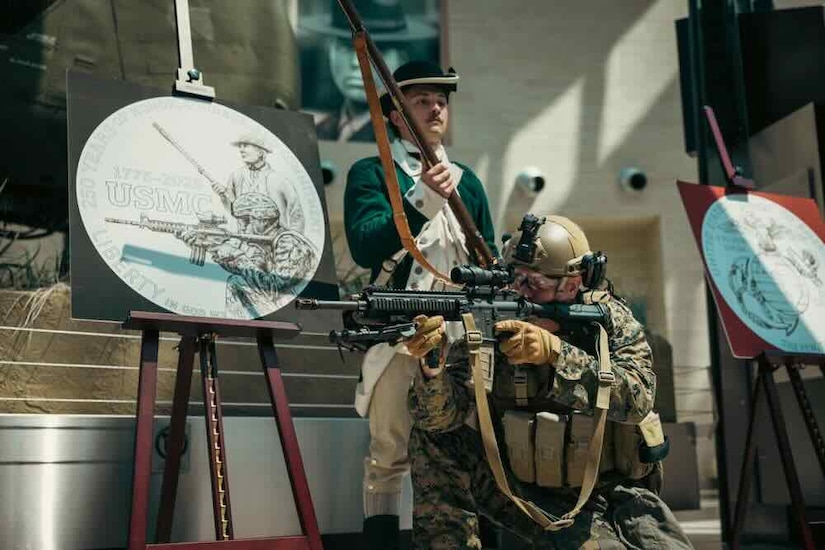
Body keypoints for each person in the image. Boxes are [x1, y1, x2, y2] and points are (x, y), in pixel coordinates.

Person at [405, 215, 694, 549]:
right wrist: (432, 369)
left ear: (571, 284)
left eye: (534, 283)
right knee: (433, 437)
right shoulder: (494, 323)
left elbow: (637, 397)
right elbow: (438, 418)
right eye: (514, 278)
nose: (519, 291)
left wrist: (556, 355)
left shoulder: (607, 322)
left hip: (609, 494)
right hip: (518, 491)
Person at [343, 60, 498, 548]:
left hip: (463, 336)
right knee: (389, 450)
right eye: (421, 100)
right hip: (401, 331)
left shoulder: (468, 182)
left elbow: (487, 259)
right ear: (395, 114)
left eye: (441, 100)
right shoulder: (371, 173)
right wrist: (422, 197)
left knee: (477, 447)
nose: (436, 108)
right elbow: (368, 245)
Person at [299, 0, 437, 142]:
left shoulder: (404, 138)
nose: (355, 63)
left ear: (400, 60)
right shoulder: (316, 129)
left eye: (374, 52)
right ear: (330, 51)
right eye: (346, 48)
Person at [179, 192, 316, 317]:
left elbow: (272, 289)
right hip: (290, 311)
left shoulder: (289, 242)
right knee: (236, 280)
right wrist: (212, 246)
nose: (242, 226)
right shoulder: (266, 245)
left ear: (263, 219)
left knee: (236, 282)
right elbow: (249, 273)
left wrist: (237, 255)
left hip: (301, 311)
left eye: (245, 220)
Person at [212, 133, 305, 233]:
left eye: (246, 145)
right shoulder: (236, 176)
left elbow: (297, 213)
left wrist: (293, 240)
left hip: (275, 241)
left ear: (260, 152)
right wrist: (223, 196)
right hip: (245, 240)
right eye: (240, 146)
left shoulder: (280, 180)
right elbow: (234, 210)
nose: (241, 150)